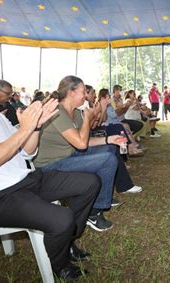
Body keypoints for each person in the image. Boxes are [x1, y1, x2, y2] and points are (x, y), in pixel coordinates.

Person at [0, 58, 100, 280]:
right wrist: (26, 129)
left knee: (89, 183)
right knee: (62, 217)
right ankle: (60, 264)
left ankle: (67, 239)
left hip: (26, 179)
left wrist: (36, 128)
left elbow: (26, 152)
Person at [33, 76, 131, 232]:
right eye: (83, 91)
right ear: (71, 92)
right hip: (50, 165)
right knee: (108, 159)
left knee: (111, 149)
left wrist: (109, 139)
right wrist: (88, 119)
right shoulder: (58, 112)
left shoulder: (75, 112)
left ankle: (99, 198)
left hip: (69, 156)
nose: (85, 95)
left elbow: (84, 140)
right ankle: (93, 212)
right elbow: (80, 143)